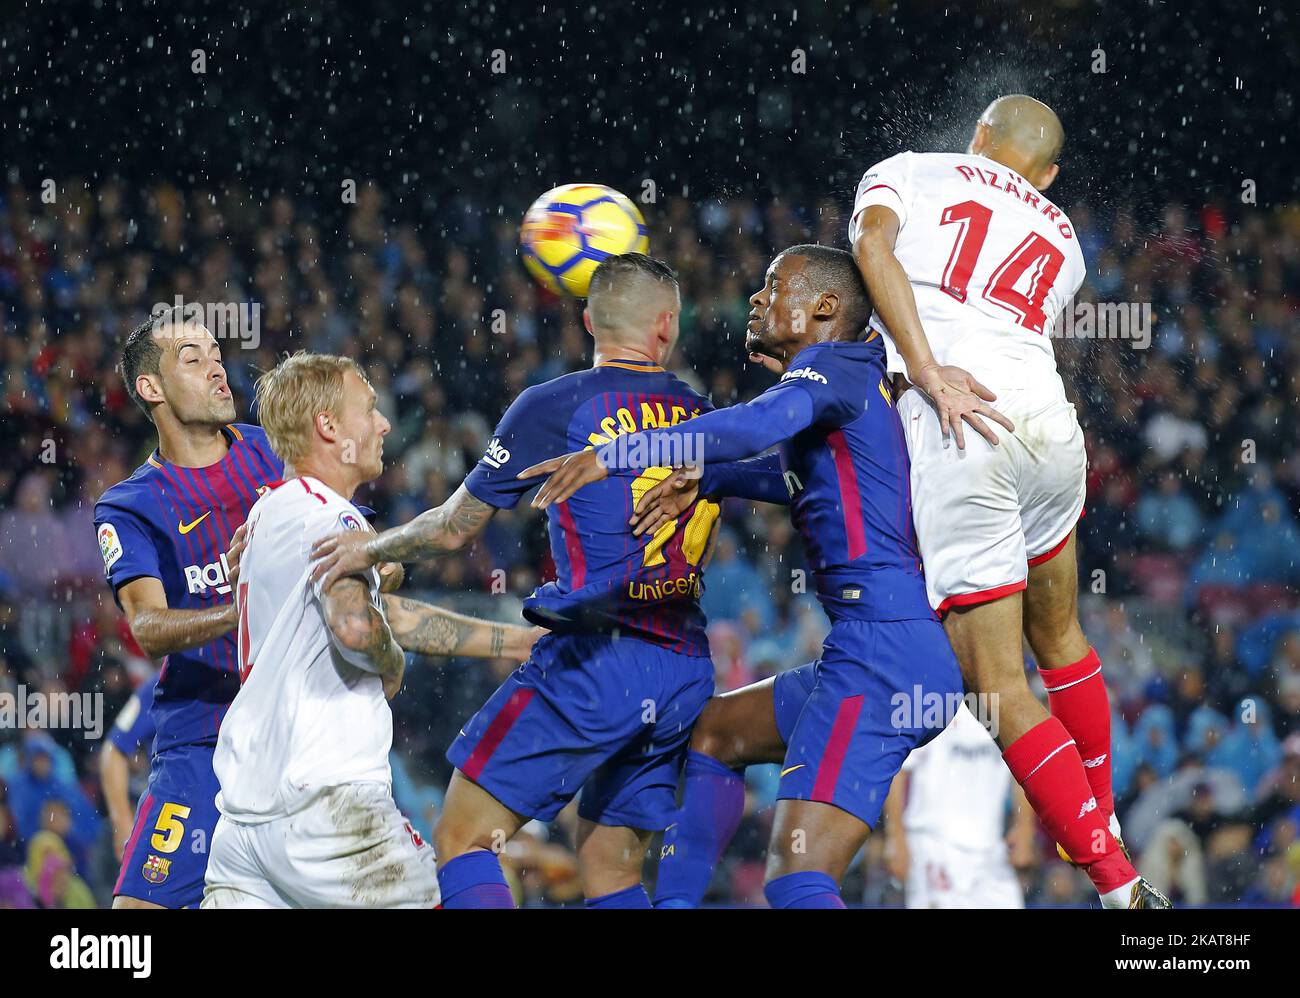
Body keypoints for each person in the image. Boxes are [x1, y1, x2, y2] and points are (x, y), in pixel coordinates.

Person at [524, 245, 963, 908]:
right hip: (887, 650)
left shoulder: (830, 369)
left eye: (773, 285)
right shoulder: (855, 372)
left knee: (796, 879)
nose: (757, 299)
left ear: (823, 307)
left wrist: (621, 451)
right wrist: (711, 476)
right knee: (716, 732)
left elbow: (759, 423)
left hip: (883, 658)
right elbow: (797, 478)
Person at [311, 253, 738, 908]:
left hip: (598, 661)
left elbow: (455, 527)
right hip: (682, 665)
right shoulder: (705, 413)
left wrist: (374, 547)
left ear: (590, 319)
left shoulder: (555, 405)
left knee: (463, 838)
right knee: (611, 868)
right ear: (668, 328)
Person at [850, 94, 1166, 906]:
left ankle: (1114, 883)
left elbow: (870, 248)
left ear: (977, 136)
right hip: (1051, 430)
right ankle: (1102, 819)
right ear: (1050, 175)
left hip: (965, 427)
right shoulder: (1064, 240)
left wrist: (922, 368)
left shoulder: (908, 172)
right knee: (1058, 633)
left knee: (993, 683)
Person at [202, 352, 540, 908]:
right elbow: (359, 628)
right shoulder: (334, 519)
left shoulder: (266, 516)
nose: (384, 424)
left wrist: (516, 642)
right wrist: (392, 662)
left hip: (243, 826)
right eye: (370, 409)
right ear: (329, 427)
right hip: (328, 809)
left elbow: (391, 617)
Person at [94, 308, 279, 908]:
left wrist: (382, 564)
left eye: (218, 356)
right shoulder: (131, 506)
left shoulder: (273, 453)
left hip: (296, 727)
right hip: (202, 736)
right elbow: (147, 626)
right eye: (193, 359)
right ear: (151, 389)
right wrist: (240, 604)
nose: (218, 370)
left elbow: (363, 547)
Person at [882, 705, 1034, 909]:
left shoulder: (1001, 704)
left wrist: (1025, 827)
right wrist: (896, 837)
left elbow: (1024, 767)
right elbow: (897, 771)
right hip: (933, 845)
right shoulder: (933, 702)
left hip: (991, 851)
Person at [99, 672, 158, 861]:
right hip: (173, 818)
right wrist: (123, 824)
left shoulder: (245, 675)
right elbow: (113, 749)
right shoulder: (162, 684)